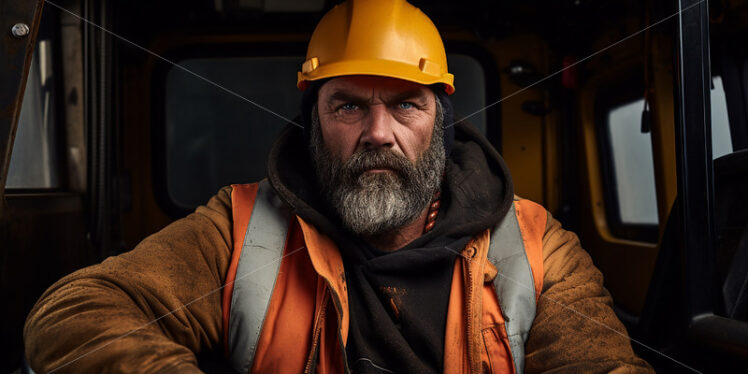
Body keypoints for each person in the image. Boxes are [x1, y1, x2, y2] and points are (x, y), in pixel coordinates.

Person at [24, 0, 654, 373]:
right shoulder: (241, 229)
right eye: (349, 107)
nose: (378, 134)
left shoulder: (538, 247)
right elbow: (74, 313)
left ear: (441, 124)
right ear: (313, 121)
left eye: (406, 106)